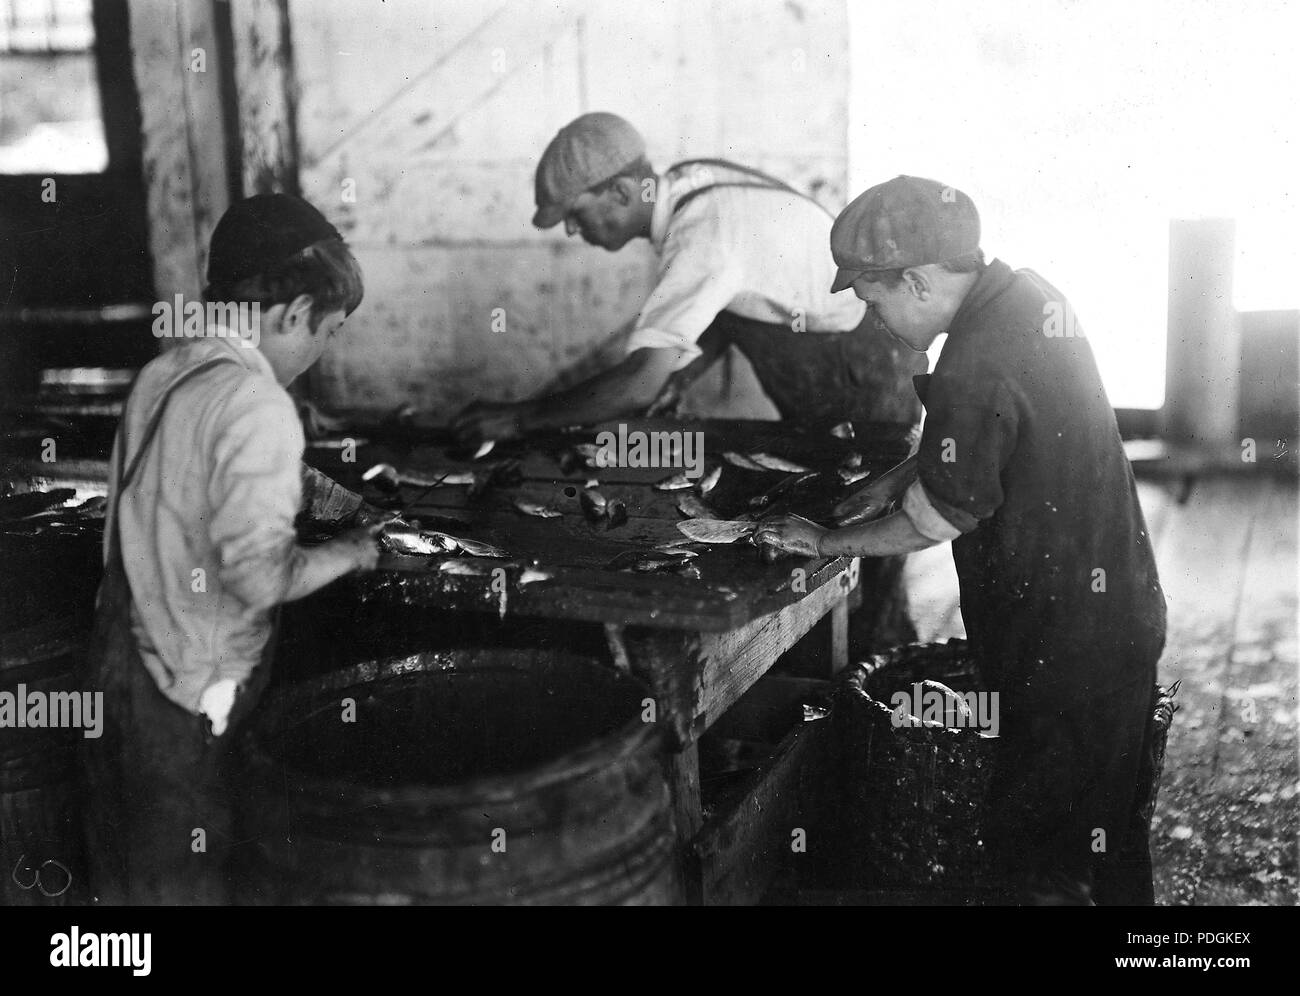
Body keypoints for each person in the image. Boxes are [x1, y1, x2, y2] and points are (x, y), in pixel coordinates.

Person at [756, 175, 1167, 905]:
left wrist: (821, 541)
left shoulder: (973, 364)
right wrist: (896, 475)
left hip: (1061, 646)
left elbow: (936, 519)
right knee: (1111, 837)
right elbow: (1005, 426)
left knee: (1035, 856)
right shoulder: (1026, 297)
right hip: (1116, 618)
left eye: (872, 297)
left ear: (915, 281)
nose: (872, 317)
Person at [81, 194, 383, 904]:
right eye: (328, 331)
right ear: (290, 313)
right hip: (191, 694)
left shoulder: (167, 373)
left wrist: (330, 497)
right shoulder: (258, 404)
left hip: (120, 669)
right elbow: (257, 576)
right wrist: (353, 552)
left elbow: (195, 472)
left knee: (126, 895)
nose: (321, 352)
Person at [452, 111, 924, 440]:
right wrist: (682, 374)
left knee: (859, 530)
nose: (573, 231)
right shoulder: (688, 183)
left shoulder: (700, 236)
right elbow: (730, 298)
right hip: (858, 351)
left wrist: (518, 419)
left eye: (575, 214)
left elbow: (640, 383)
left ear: (619, 192)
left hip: (860, 370)